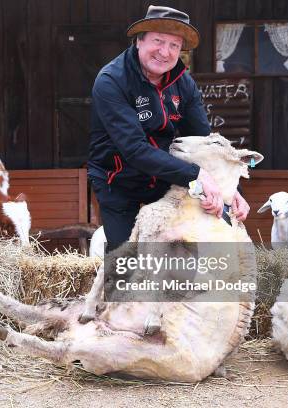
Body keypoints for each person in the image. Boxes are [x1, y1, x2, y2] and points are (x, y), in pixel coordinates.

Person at [88, 5, 250, 252]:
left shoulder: (183, 82)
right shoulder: (111, 81)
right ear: (139, 41)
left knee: (178, 257)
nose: (165, 52)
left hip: (167, 179)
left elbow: (204, 142)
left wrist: (230, 189)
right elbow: (135, 149)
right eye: (158, 41)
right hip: (118, 179)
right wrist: (197, 175)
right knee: (125, 262)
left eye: (174, 45)